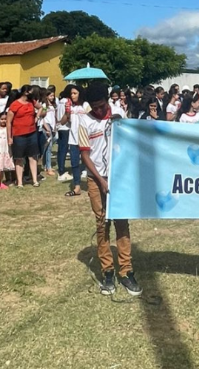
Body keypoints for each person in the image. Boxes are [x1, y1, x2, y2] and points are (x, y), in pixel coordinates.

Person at [79, 82, 142, 296]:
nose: (98, 110)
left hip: (118, 177)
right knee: (102, 222)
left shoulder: (117, 114)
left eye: (101, 105)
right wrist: (101, 180)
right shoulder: (83, 122)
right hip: (96, 179)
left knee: (121, 222)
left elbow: (129, 143)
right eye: (94, 107)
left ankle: (126, 270)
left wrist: (120, 123)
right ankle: (107, 271)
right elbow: (85, 155)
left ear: (108, 100)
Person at [7, 85, 41, 188]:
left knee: (33, 156)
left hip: (32, 133)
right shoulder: (15, 104)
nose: (32, 93)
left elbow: (42, 108)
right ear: (25, 92)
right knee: (19, 158)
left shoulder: (32, 102)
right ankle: (20, 181)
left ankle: (35, 180)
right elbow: (9, 122)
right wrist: (9, 137)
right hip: (18, 134)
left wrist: (37, 117)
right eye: (30, 91)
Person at [66, 85, 91, 197]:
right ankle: (77, 187)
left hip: (84, 138)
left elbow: (92, 117)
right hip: (73, 139)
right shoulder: (71, 107)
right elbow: (62, 122)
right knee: (74, 163)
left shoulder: (85, 105)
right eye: (71, 93)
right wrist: (67, 112)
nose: (72, 95)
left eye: (75, 93)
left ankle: (92, 185)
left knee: (89, 162)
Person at [55, 85, 74, 182]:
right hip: (65, 127)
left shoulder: (60, 102)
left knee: (61, 149)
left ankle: (61, 169)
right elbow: (67, 115)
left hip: (60, 126)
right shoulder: (67, 102)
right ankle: (61, 171)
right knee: (63, 149)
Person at [39, 89, 56, 177]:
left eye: (53, 96)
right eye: (50, 96)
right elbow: (43, 117)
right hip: (47, 126)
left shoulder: (52, 105)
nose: (52, 97)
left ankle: (46, 165)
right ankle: (48, 168)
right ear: (46, 96)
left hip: (52, 126)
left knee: (48, 147)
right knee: (48, 148)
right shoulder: (44, 105)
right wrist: (47, 128)